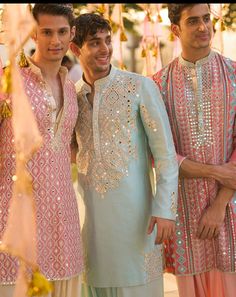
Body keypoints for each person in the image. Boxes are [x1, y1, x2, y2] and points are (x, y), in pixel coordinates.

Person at [70, 12, 178, 297]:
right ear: (75, 48)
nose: (105, 48)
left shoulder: (139, 87)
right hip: (92, 223)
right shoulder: (73, 96)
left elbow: (165, 155)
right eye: (94, 42)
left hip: (138, 220)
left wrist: (165, 209)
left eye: (108, 41)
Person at [152, 4, 236, 297]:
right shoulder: (158, 85)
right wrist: (216, 171)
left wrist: (219, 206)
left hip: (230, 208)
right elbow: (160, 154)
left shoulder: (234, 74)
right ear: (176, 29)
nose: (203, 27)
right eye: (192, 21)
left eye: (206, 19)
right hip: (184, 213)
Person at [0, 4, 83, 297]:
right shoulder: (8, 81)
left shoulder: (72, 87)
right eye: (46, 32)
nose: (55, 40)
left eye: (62, 32)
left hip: (65, 227)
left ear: (72, 34)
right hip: (16, 224)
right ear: (34, 34)